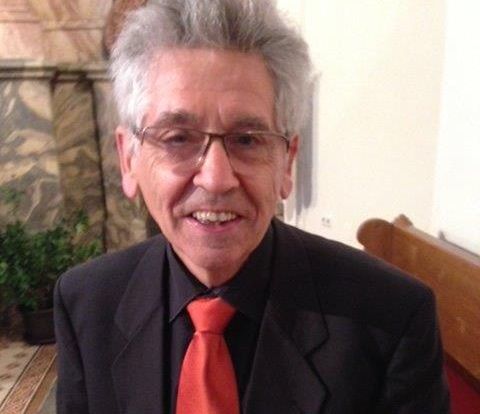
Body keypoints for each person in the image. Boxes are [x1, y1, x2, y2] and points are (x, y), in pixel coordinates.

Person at [54, 0, 450, 413]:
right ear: (128, 159)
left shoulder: (391, 318)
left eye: (246, 140)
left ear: (287, 162)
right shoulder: (87, 304)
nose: (216, 178)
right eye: (178, 138)